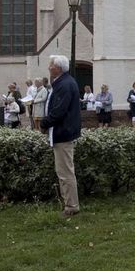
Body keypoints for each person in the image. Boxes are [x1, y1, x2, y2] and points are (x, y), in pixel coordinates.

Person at [42, 55, 83, 217]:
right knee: (64, 171)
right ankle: (69, 203)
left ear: (58, 68)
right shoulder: (64, 82)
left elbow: (58, 111)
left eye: (51, 65)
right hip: (62, 132)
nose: (49, 67)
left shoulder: (64, 84)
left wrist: (45, 124)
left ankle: (71, 206)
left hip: (62, 133)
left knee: (65, 172)